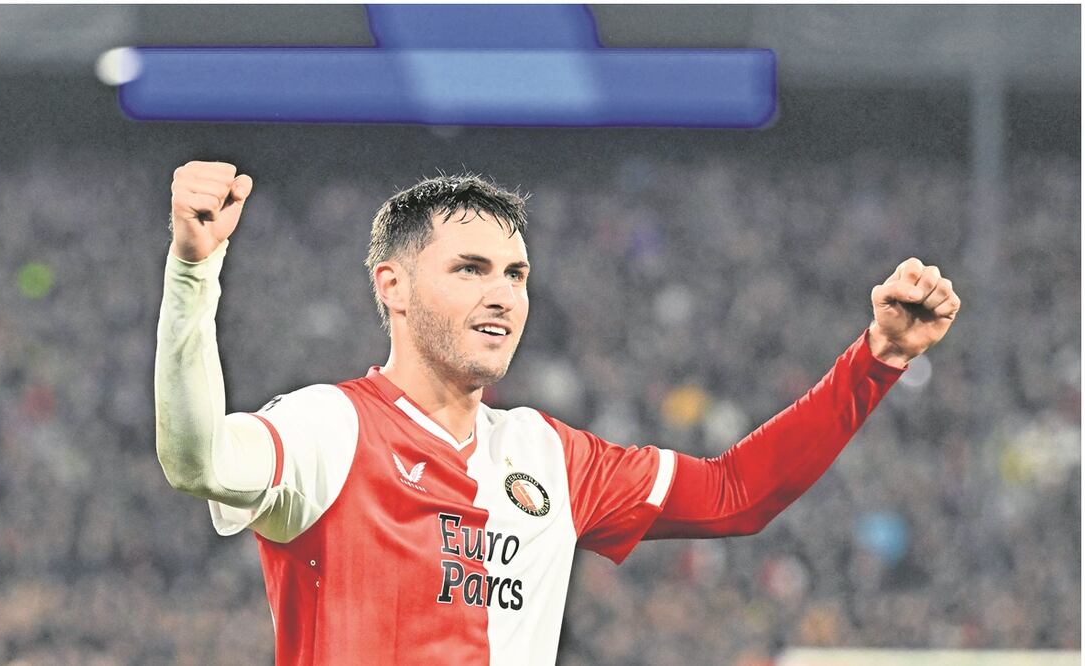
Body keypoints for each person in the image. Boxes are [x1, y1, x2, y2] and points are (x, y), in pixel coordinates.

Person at [155, 161, 961, 664]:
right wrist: (194, 274)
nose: (502, 294)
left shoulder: (547, 456)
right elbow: (197, 461)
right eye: (470, 268)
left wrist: (878, 360)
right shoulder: (329, 427)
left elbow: (733, 494)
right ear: (391, 287)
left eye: (516, 273)